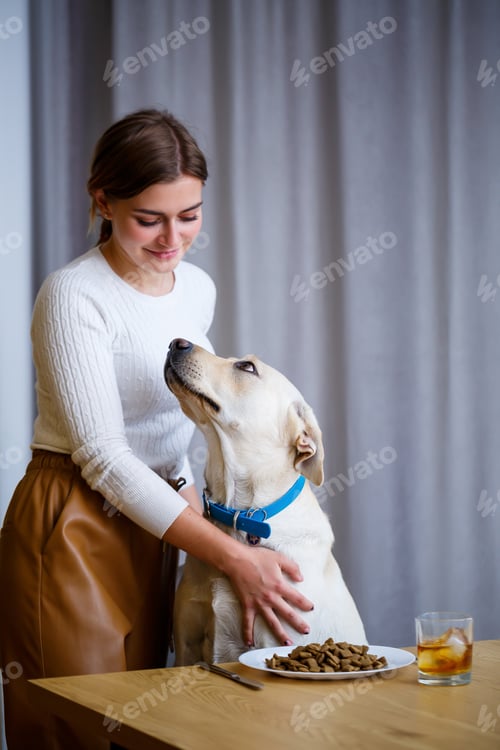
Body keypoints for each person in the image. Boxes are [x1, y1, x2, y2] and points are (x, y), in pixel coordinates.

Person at [0, 108, 313, 750]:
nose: (173, 237)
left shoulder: (196, 289)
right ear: (103, 202)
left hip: (163, 518)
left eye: (189, 214)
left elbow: (178, 425)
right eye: (150, 218)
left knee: (148, 727)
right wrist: (232, 557)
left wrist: (209, 523)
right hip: (73, 521)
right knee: (78, 725)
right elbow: (106, 459)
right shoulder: (72, 295)